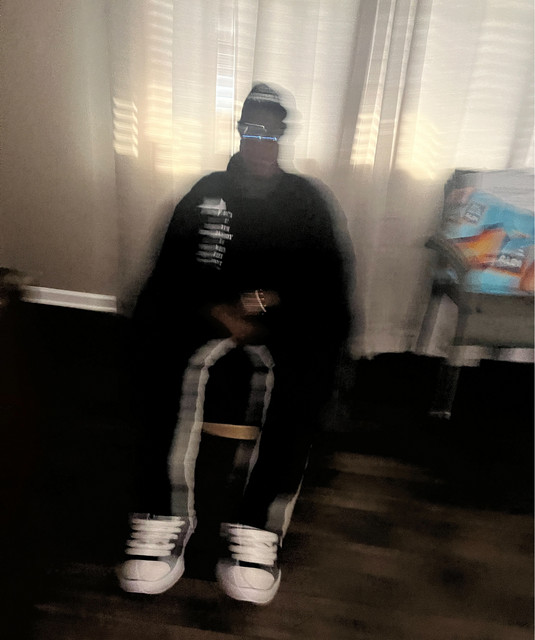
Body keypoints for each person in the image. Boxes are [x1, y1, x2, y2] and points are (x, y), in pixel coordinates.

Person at [117, 83, 355, 604]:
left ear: (283, 135)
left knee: (309, 364)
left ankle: (257, 526)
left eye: (271, 131)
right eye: (252, 129)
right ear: (240, 130)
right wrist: (219, 310)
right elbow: (171, 269)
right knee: (157, 348)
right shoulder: (205, 192)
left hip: (282, 316)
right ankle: (159, 515)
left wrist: (263, 304)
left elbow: (326, 278)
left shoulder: (308, 199)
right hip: (204, 310)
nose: (261, 141)